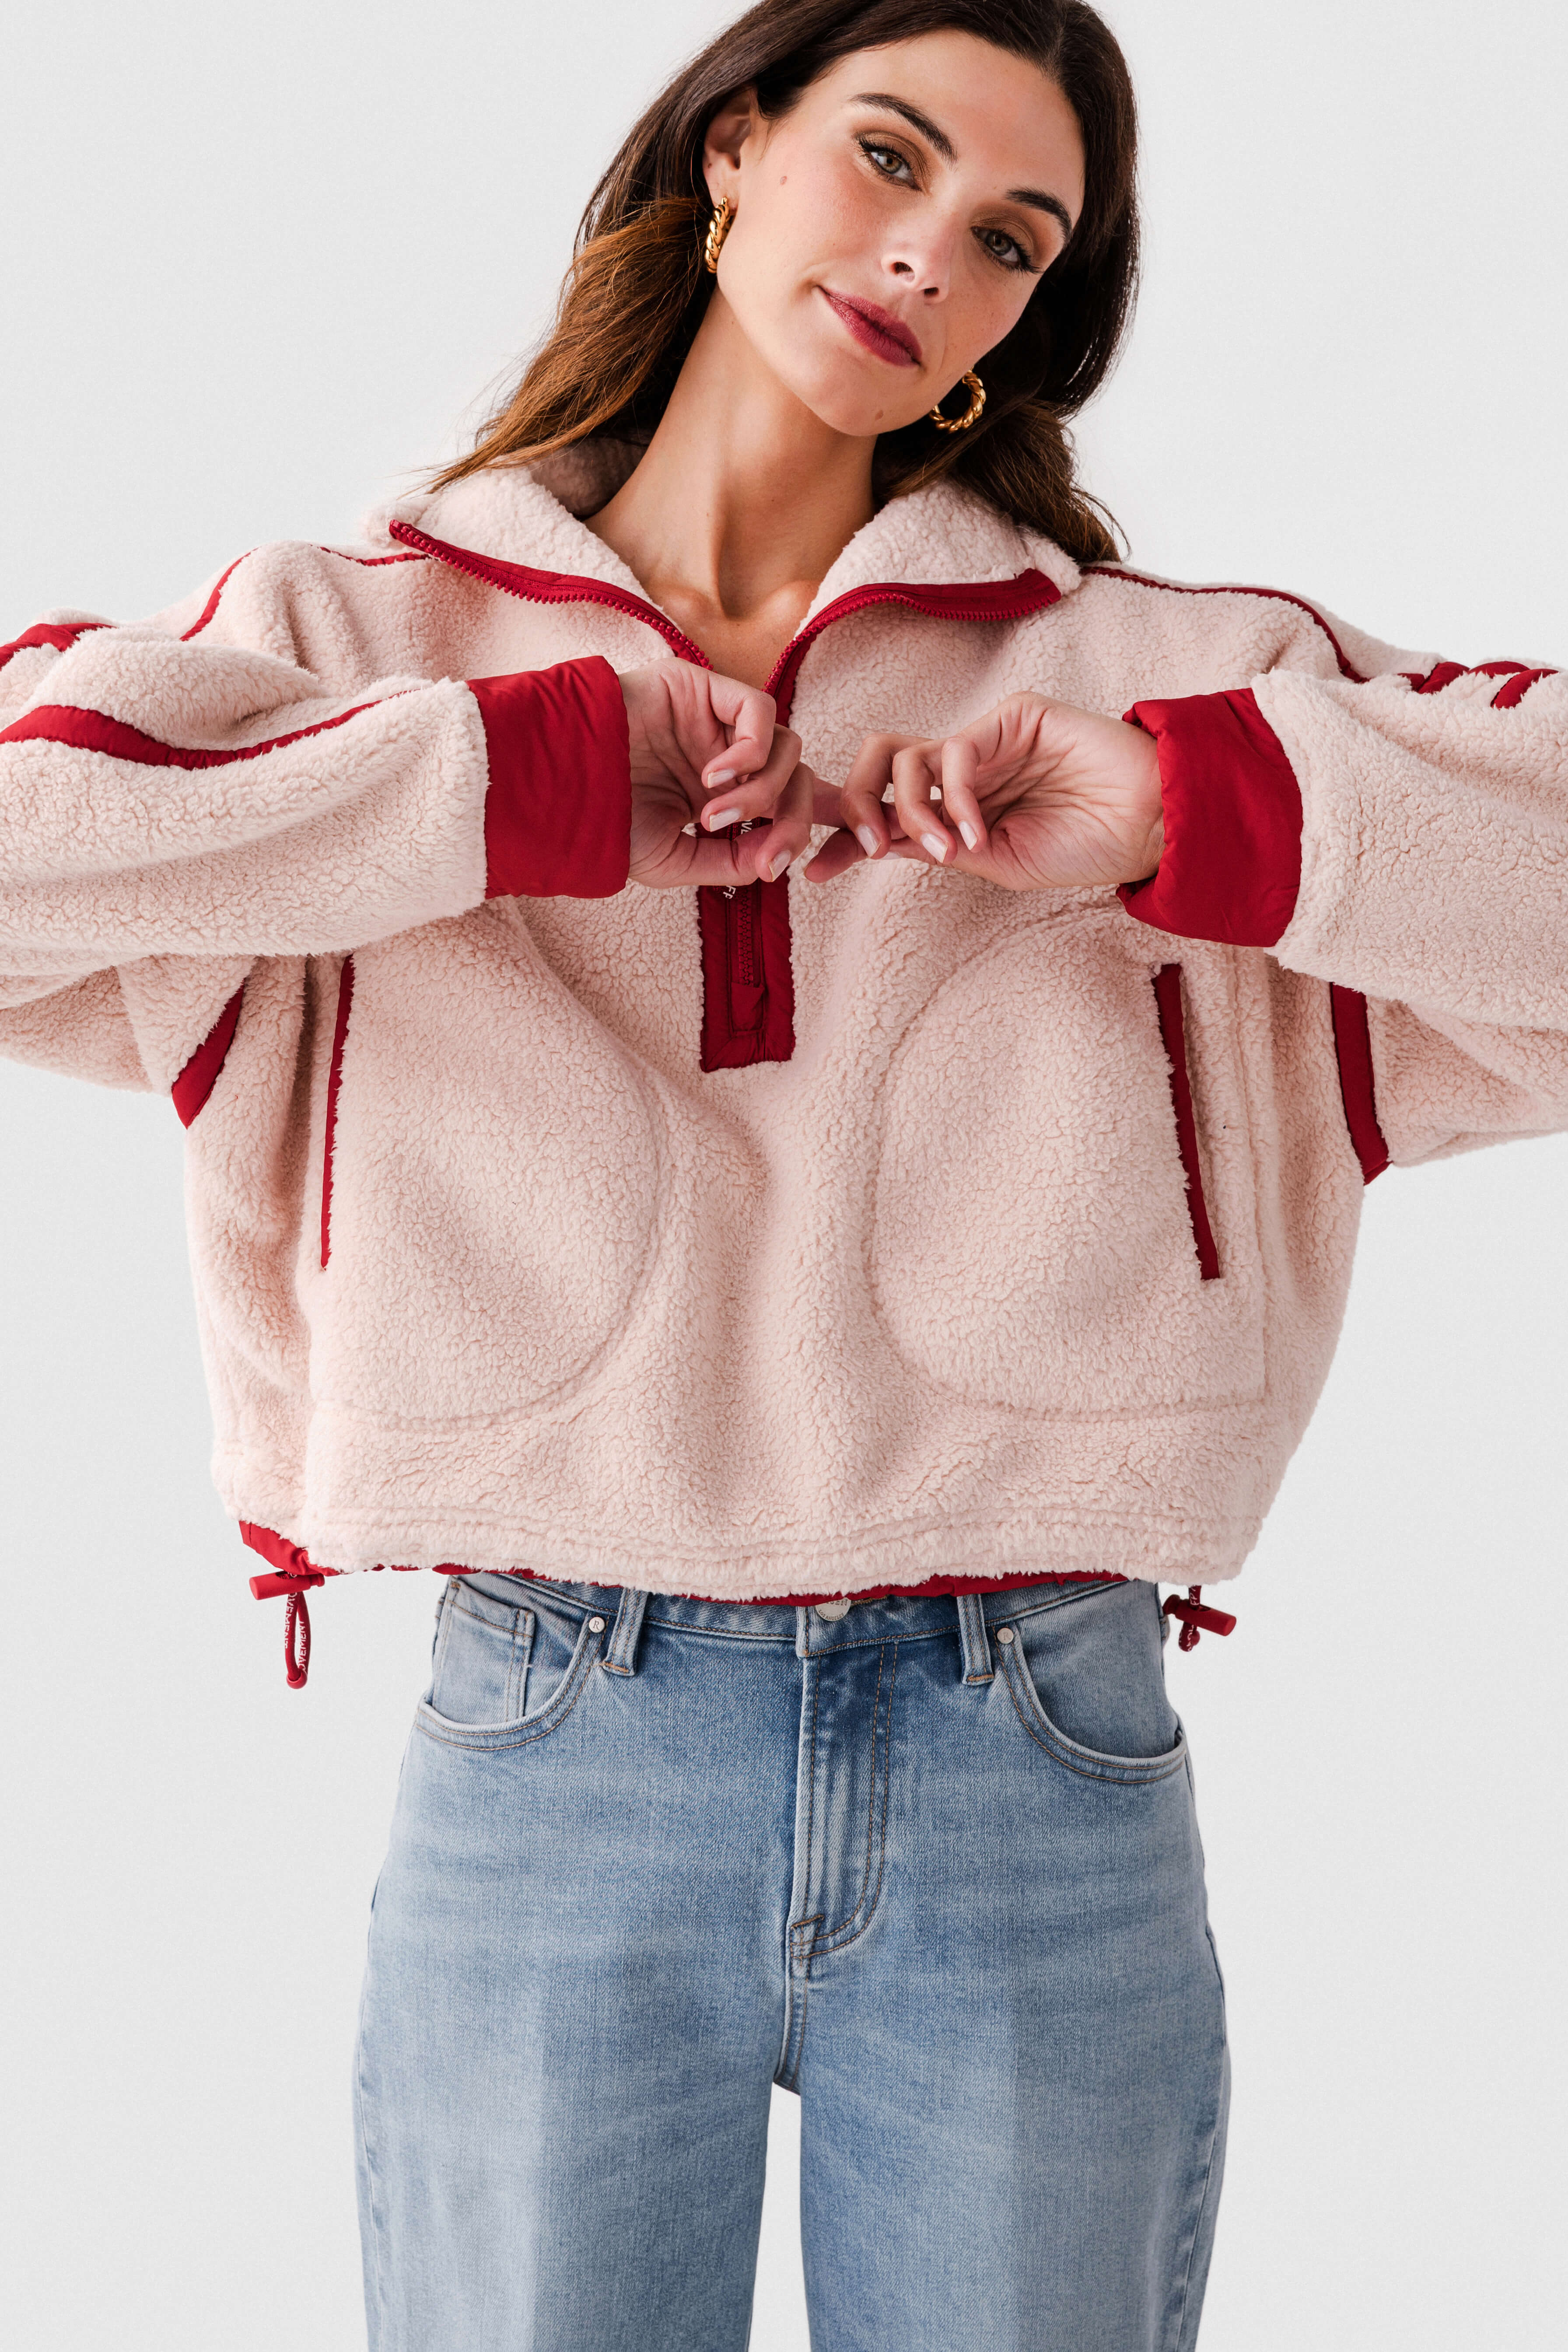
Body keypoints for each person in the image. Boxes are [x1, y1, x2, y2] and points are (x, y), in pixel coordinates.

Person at [1, 0, 1563, 2342]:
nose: (932, 251)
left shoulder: (1174, 674)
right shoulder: (362, 641)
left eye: (1012, 237)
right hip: (556, 1732)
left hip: (1040, 1743)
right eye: (890, 156)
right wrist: (506, 785)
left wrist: (1189, 811)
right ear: (734, 148)